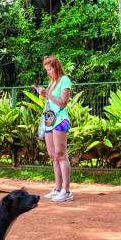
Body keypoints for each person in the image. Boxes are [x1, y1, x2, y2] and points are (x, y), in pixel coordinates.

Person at [34, 56, 73, 202]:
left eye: (49, 69)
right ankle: (57, 188)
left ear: (56, 67)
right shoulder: (52, 82)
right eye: (46, 70)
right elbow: (50, 101)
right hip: (49, 120)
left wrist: (47, 94)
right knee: (53, 155)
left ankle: (66, 190)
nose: (48, 72)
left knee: (61, 154)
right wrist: (43, 94)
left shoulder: (65, 80)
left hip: (60, 120)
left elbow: (63, 103)